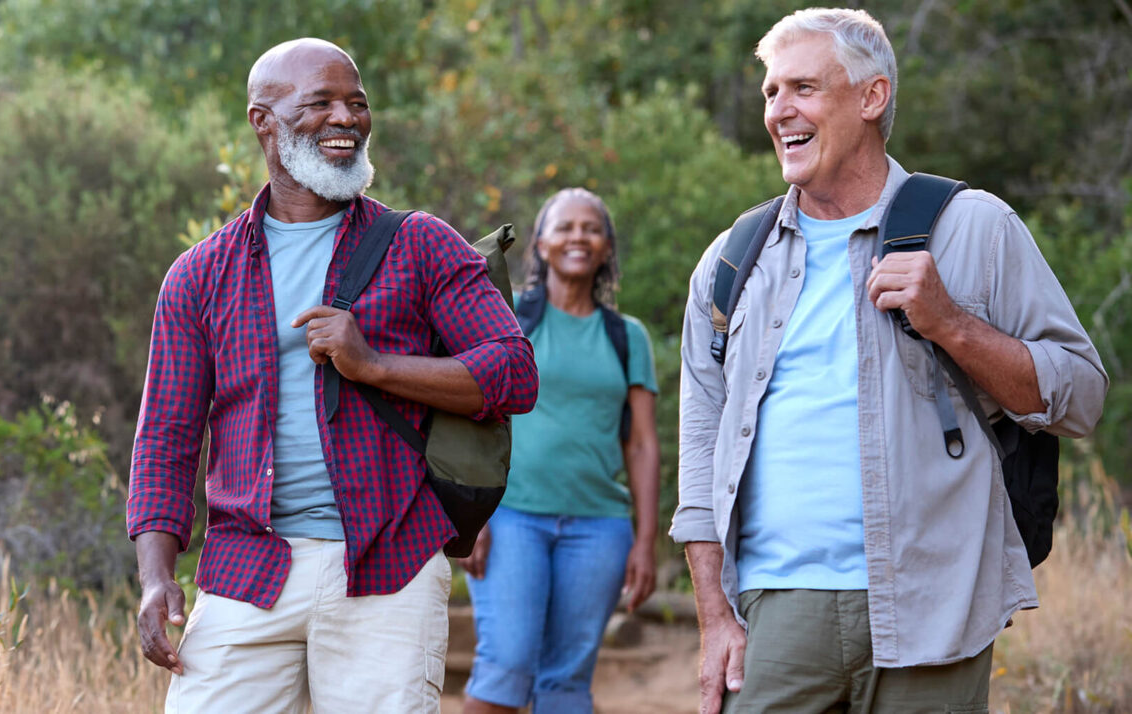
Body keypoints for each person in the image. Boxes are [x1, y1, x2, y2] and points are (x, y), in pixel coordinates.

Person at [671, 8, 1107, 714]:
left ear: (871, 98)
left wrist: (955, 327)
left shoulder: (976, 228)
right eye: (771, 92)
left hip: (934, 602)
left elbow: (1082, 395)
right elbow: (701, 445)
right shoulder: (730, 261)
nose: (780, 110)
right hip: (775, 609)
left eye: (804, 88)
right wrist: (715, 617)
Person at [126, 37, 539, 714]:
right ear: (263, 119)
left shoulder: (421, 244)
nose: (346, 118)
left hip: (390, 566)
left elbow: (513, 374)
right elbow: (165, 440)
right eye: (320, 102)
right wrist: (154, 577)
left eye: (358, 103)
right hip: (245, 571)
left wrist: (372, 365)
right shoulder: (200, 275)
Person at [457, 188, 661, 714]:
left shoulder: (627, 337)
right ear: (541, 244)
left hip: (599, 528)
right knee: (506, 665)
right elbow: (468, 416)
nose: (578, 237)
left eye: (591, 228)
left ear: (607, 247)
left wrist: (644, 541)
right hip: (511, 520)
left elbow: (640, 444)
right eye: (565, 227)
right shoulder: (505, 320)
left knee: (567, 683)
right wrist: (471, 516)